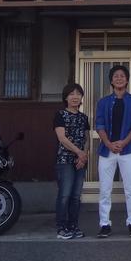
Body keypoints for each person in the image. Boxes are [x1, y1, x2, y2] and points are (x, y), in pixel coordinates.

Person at [94, 64, 131, 238]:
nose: (119, 78)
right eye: (116, 76)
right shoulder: (103, 102)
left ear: (127, 79)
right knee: (105, 189)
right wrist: (108, 143)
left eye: (122, 75)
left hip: (127, 150)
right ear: (111, 80)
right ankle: (104, 224)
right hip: (106, 151)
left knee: (130, 189)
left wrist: (123, 142)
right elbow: (99, 124)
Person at [53, 83, 89, 240]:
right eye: (71, 94)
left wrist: (84, 155)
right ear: (65, 98)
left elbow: (87, 138)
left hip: (80, 161)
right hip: (65, 160)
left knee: (76, 196)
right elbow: (62, 138)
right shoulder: (60, 115)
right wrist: (79, 152)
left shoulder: (84, 117)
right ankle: (62, 228)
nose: (75, 97)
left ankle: (73, 226)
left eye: (78, 94)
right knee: (65, 195)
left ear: (81, 97)